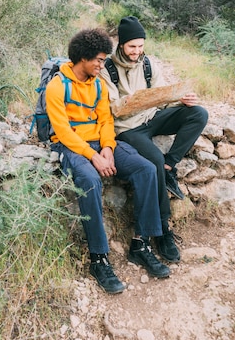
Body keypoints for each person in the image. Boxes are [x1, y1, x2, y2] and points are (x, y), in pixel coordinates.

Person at [46, 28, 170, 295]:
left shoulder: (99, 84)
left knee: (146, 168)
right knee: (90, 179)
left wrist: (108, 149)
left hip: (101, 145)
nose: (102, 65)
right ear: (83, 59)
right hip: (72, 147)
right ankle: (99, 258)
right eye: (99, 60)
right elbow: (64, 132)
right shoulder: (57, 86)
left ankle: (141, 244)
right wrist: (92, 156)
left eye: (104, 60)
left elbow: (105, 120)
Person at [100, 16, 209, 264]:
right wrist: (138, 100)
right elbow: (113, 109)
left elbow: (162, 95)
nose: (137, 52)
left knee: (198, 113)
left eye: (140, 46)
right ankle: (163, 230)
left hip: (154, 117)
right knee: (153, 162)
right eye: (132, 47)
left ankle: (170, 165)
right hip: (128, 128)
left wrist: (181, 99)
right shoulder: (107, 69)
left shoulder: (148, 64)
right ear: (121, 44)